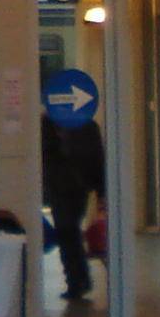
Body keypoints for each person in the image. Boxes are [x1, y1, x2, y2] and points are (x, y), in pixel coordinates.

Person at [41, 111, 107, 304]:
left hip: (63, 186)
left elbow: (46, 154)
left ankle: (77, 280)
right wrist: (101, 190)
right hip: (77, 186)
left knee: (67, 232)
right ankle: (78, 280)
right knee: (70, 232)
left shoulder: (49, 123)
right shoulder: (87, 125)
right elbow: (97, 159)